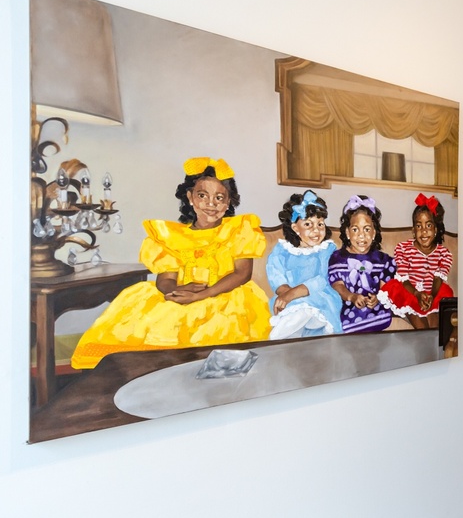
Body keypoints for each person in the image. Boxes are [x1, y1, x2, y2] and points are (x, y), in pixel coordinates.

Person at [70, 157, 271, 369]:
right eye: (203, 195)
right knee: (151, 323)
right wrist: (176, 291)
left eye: (219, 197)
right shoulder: (170, 236)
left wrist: (202, 294)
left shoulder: (239, 230)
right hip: (181, 294)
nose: (211, 204)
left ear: (229, 202)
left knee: (215, 331)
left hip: (225, 297)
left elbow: (242, 274)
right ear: (190, 197)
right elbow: (165, 279)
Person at [266, 190, 343, 339]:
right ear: (295, 228)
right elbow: (276, 276)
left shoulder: (327, 250)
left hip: (322, 303)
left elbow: (322, 279)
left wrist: (293, 294)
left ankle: (273, 342)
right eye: (308, 224)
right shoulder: (282, 250)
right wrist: (287, 294)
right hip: (290, 302)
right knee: (294, 319)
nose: (316, 230)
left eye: (320, 224)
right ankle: (284, 346)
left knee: (304, 311)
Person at [379, 193, 454, 329]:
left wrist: (431, 295)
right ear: (413, 230)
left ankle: (436, 348)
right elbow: (404, 279)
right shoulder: (403, 248)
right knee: (422, 326)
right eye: (419, 226)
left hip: (433, 290)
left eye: (428, 226)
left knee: (435, 327)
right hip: (409, 290)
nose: (424, 231)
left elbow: (438, 278)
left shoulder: (444, 253)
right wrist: (417, 294)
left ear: (436, 230)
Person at [327, 195, 397, 333]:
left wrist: (379, 297)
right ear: (347, 233)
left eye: (366, 229)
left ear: (374, 233)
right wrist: (352, 296)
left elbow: (386, 286)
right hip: (348, 314)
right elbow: (337, 285)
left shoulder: (382, 260)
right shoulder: (338, 258)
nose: (361, 235)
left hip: (377, 315)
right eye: (355, 229)